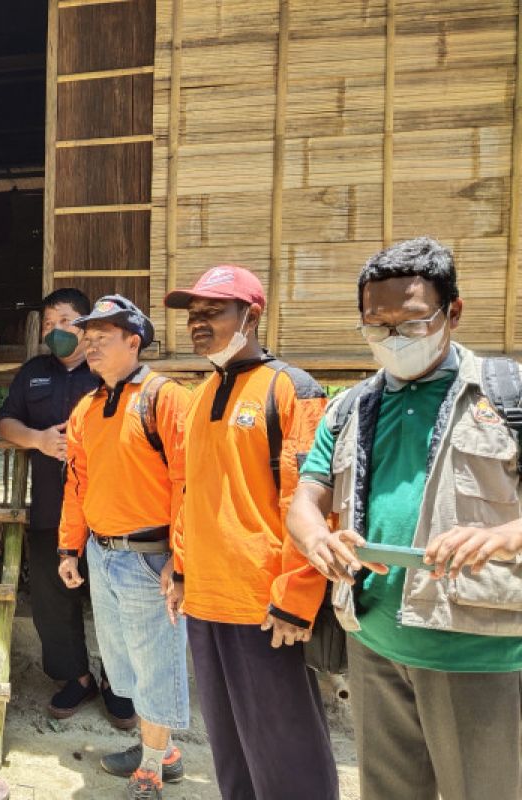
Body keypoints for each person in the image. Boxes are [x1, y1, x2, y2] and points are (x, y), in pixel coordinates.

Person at [287, 237, 522, 800]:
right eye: (377, 324)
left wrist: (500, 535)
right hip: (374, 645)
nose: (393, 338)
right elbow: (307, 493)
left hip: (477, 654)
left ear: (453, 313)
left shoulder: (506, 393)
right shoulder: (350, 407)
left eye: (413, 322)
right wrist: (316, 538)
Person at [162, 266, 338, 800]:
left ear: (252, 316)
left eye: (212, 312)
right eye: (193, 316)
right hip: (206, 600)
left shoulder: (292, 389)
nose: (198, 324)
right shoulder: (198, 396)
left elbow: (312, 501)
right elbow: (191, 494)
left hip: (265, 605)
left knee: (287, 753)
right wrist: (182, 570)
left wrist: (298, 596)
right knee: (230, 748)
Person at [54, 295, 191, 800]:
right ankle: (161, 750)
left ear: (134, 342)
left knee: (156, 664)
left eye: (101, 338)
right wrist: (70, 549)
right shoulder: (86, 408)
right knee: (125, 664)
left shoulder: (166, 398)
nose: (88, 346)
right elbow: (76, 484)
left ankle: (152, 770)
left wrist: (181, 559)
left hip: (150, 556)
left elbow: (188, 483)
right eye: (85, 339)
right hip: (102, 552)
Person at [0, 289, 139, 724]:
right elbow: (5, 422)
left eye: (64, 321)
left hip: (109, 511)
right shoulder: (34, 372)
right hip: (50, 510)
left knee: (115, 599)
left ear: (85, 326)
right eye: (47, 324)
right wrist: (38, 439)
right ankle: (75, 678)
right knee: (51, 598)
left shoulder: (107, 372)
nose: (54, 331)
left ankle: (120, 683)